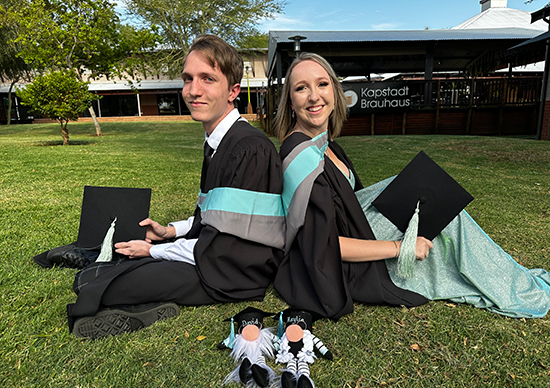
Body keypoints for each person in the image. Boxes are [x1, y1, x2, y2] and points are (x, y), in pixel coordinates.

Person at [273, 52, 550, 321]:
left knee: (438, 203)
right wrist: (400, 247)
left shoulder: (328, 145)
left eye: (322, 84)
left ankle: (512, 277)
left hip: (360, 235)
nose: (314, 96)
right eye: (301, 88)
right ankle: (518, 289)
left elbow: (350, 205)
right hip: (338, 266)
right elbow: (324, 246)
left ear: (334, 90)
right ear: (290, 102)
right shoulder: (299, 156)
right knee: (447, 217)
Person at [66, 34, 285, 338]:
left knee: (103, 283)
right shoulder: (219, 142)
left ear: (233, 90)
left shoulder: (248, 148)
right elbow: (216, 214)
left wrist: (157, 251)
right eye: (188, 79)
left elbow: (231, 242)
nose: (193, 90)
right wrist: (170, 233)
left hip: (237, 271)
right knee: (101, 273)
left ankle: (137, 308)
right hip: (218, 257)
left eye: (208, 79)